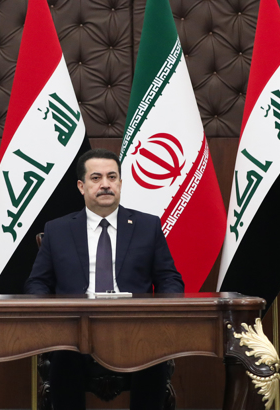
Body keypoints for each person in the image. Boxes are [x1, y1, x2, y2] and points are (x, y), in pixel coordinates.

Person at [26, 148, 184, 410]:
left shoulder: (148, 226)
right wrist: (52, 317)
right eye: (96, 178)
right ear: (82, 186)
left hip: (136, 330)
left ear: (120, 183)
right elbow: (37, 283)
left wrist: (162, 315)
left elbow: (170, 279)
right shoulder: (58, 229)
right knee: (64, 356)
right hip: (74, 333)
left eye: (112, 177)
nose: (105, 185)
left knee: (153, 357)